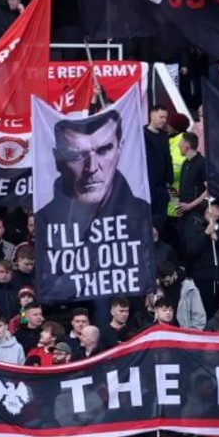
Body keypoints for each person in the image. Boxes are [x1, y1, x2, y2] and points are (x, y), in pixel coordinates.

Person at [35, 110, 154, 301]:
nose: (91, 167)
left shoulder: (141, 214)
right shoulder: (44, 219)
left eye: (104, 150)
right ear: (58, 158)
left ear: (120, 149)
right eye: (76, 155)